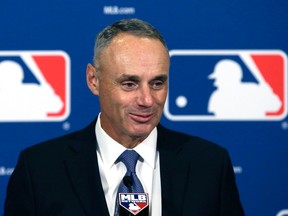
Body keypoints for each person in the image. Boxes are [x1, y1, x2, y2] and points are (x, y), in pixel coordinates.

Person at [4, 18, 245, 216]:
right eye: (129, 84)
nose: (147, 100)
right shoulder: (39, 169)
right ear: (93, 80)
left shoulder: (210, 164)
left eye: (157, 83)